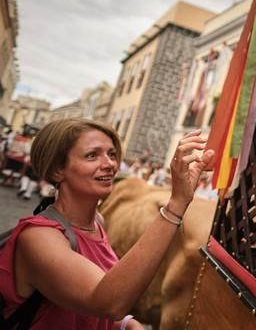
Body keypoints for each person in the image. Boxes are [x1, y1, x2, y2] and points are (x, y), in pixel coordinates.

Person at [0, 118, 214, 329]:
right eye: (92, 155)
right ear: (57, 170)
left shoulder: (97, 223)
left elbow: (79, 300)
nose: (110, 164)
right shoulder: (38, 236)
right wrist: (177, 203)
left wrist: (126, 324)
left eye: (112, 154)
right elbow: (106, 302)